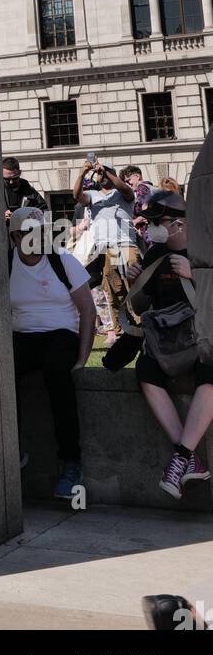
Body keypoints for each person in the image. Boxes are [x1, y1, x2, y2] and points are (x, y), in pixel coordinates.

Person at [125, 188, 213, 499]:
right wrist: (137, 282)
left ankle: (180, 457)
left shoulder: (205, 250)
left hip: (203, 336)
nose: (151, 228)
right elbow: (139, 308)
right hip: (169, 341)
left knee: (211, 371)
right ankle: (187, 457)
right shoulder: (153, 254)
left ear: (179, 223)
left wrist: (197, 277)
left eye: (157, 221)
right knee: (146, 372)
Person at [9, 206, 96, 498]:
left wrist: (83, 357)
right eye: (29, 233)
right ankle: (12, 448)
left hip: (61, 333)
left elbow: (87, 310)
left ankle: (71, 463)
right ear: (14, 237)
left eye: (41, 231)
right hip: (23, 335)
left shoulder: (63, 261)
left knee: (56, 371)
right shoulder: (6, 265)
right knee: (1, 373)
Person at [73, 158, 139, 336]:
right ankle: (121, 331)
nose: (101, 175)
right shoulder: (93, 195)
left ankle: (142, 324)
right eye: (99, 173)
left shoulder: (122, 193)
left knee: (134, 286)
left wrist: (106, 170)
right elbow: (77, 195)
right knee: (114, 291)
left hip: (126, 245)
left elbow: (125, 189)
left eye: (105, 173)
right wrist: (82, 173)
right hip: (105, 249)